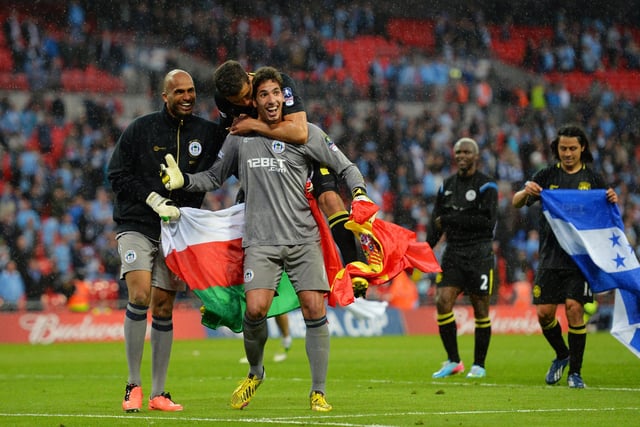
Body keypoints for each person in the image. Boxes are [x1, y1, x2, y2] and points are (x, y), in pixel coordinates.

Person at [161, 66, 368, 412]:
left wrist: (359, 192)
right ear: (253, 100)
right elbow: (214, 178)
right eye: (263, 95)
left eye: (275, 94)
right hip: (260, 242)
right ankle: (256, 372)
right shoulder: (239, 138)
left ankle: (318, 391)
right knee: (254, 310)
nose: (270, 100)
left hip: (302, 240)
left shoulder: (305, 134)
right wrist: (184, 181)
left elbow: (345, 165)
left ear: (282, 97)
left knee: (315, 309)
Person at [107, 69, 225, 412]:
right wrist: (152, 199)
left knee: (163, 306)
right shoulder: (140, 129)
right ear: (165, 96)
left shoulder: (206, 132)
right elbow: (116, 174)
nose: (187, 97)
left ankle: (159, 393)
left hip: (177, 231)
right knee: (140, 293)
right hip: (137, 223)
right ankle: (133, 385)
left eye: (191, 91)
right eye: (180, 92)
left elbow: (232, 151)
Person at [213, 60, 367, 296]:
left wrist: (254, 123)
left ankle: (354, 268)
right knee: (245, 209)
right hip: (267, 160)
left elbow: (299, 132)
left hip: (302, 154)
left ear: (249, 79)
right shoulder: (223, 98)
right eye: (239, 102)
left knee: (330, 200)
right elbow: (231, 138)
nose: (246, 103)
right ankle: (251, 283)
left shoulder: (279, 83)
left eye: (247, 95)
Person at [512, 124, 619, 388]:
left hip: (580, 258)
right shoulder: (547, 175)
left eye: (572, 148)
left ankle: (575, 373)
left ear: (582, 147)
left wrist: (612, 199)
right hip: (550, 255)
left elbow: (607, 212)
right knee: (545, 314)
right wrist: (526, 192)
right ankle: (562, 354)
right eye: (563, 148)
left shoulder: (593, 180)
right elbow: (516, 201)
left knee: (574, 309)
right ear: (556, 149)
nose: (568, 153)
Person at [427, 137, 498, 379]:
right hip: (454, 253)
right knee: (442, 300)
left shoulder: (487, 186)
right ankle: (454, 361)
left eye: (466, 152)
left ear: (476, 156)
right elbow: (436, 222)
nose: (461, 156)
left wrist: (452, 219)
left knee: (480, 309)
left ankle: (479, 365)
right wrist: (426, 248)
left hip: (479, 253)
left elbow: (487, 223)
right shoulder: (446, 186)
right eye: (458, 152)